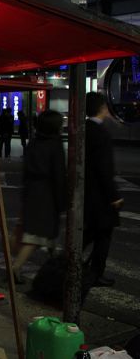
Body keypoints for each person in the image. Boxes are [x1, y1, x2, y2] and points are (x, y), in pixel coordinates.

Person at [11, 110, 66, 283]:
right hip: (47, 194)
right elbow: (58, 174)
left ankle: (54, 266)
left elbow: (26, 172)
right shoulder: (55, 145)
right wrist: (62, 201)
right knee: (37, 236)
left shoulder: (33, 143)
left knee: (45, 235)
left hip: (33, 191)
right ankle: (17, 267)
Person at [84, 92, 123, 287]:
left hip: (87, 192)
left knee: (89, 233)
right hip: (100, 196)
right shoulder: (101, 133)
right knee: (102, 235)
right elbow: (104, 168)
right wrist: (113, 196)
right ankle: (94, 272)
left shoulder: (84, 130)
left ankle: (71, 265)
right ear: (102, 108)